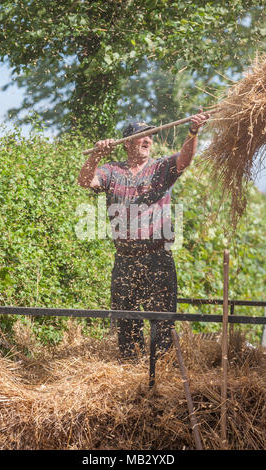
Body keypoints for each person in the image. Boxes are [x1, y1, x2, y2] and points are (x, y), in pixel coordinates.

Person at [78, 110, 209, 359]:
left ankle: (160, 376)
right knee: (126, 323)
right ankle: (130, 372)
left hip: (157, 257)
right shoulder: (112, 170)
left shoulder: (161, 168)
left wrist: (193, 132)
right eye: (142, 136)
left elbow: (185, 160)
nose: (148, 140)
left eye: (150, 136)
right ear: (127, 143)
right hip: (126, 259)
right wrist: (96, 154)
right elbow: (86, 181)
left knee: (162, 322)